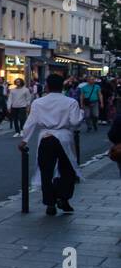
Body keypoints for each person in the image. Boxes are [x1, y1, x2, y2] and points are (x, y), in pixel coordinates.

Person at [20, 74, 84, 216]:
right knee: (67, 170)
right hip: (64, 137)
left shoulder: (38, 102)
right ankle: (64, 197)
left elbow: (31, 122)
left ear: (47, 86)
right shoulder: (71, 102)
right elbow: (75, 122)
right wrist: (81, 114)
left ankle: (50, 203)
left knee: (46, 171)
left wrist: (25, 139)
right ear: (62, 86)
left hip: (46, 137)